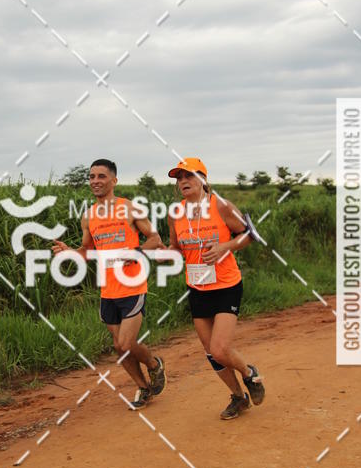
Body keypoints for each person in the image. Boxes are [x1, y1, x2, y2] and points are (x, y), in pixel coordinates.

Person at [53, 158, 166, 408]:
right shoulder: (89, 216)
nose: (95, 181)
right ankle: (143, 388)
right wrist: (68, 252)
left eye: (101, 176)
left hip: (133, 285)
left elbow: (155, 238)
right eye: (92, 177)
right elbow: (86, 250)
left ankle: (154, 364)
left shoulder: (130, 209)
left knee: (126, 342)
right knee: (119, 347)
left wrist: (134, 253)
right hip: (107, 289)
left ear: (114, 180)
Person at [167, 157, 265, 420]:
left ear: (203, 179)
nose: (183, 182)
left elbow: (248, 235)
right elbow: (176, 248)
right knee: (211, 353)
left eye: (188, 176)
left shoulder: (220, 206)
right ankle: (237, 397)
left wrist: (225, 247)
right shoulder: (175, 213)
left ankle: (249, 374)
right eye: (179, 178)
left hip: (226, 285)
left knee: (220, 349)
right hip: (198, 287)